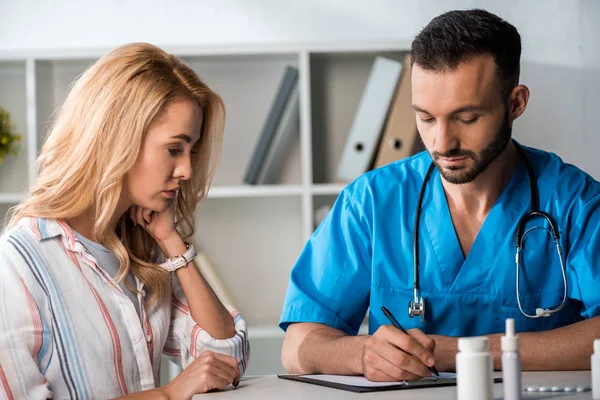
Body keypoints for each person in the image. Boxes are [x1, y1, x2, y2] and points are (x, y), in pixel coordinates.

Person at [279, 9, 600, 382]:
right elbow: (298, 345)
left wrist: (456, 352)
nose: (442, 142)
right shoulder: (371, 202)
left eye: (466, 118)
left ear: (515, 103)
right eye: (426, 118)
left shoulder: (576, 203)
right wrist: (363, 353)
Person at [0, 43, 250, 399]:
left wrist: (173, 243)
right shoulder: (19, 262)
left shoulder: (143, 249)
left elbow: (227, 358)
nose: (187, 170)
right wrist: (167, 395)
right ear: (118, 138)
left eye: (191, 151)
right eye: (174, 149)